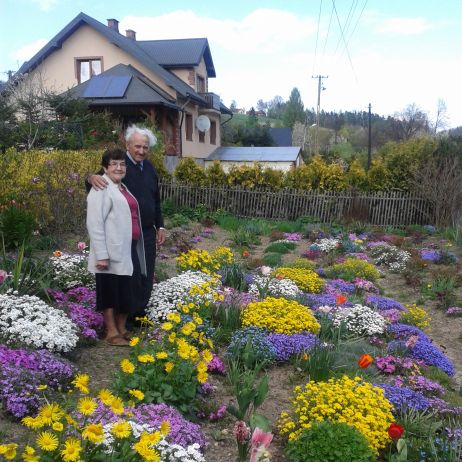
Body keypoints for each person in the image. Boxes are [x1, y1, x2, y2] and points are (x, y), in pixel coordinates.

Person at [87, 125, 166, 319]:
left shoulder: (149, 168)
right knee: (129, 276)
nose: (141, 151)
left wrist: (160, 225)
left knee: (146, 274)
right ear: (128, 145)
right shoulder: (120, 166)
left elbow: (155, 199)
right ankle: (127, 318)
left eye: (145, 147)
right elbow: (97, 179)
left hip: (147, 231)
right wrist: (90, 177)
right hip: (126, 234)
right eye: (137, 146)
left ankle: (139, 313)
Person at [87, 148, 146, 346]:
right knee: (110, 291)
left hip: (128, 247)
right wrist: (101, 255)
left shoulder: (122, 187)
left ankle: (121, 328)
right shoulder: (101, 187)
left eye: (122, 164)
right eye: (114, 164)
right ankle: (111, 332)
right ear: (105, 167)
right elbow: (94, 223)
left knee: (127, 288)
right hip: (110, 251)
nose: (119, 167)